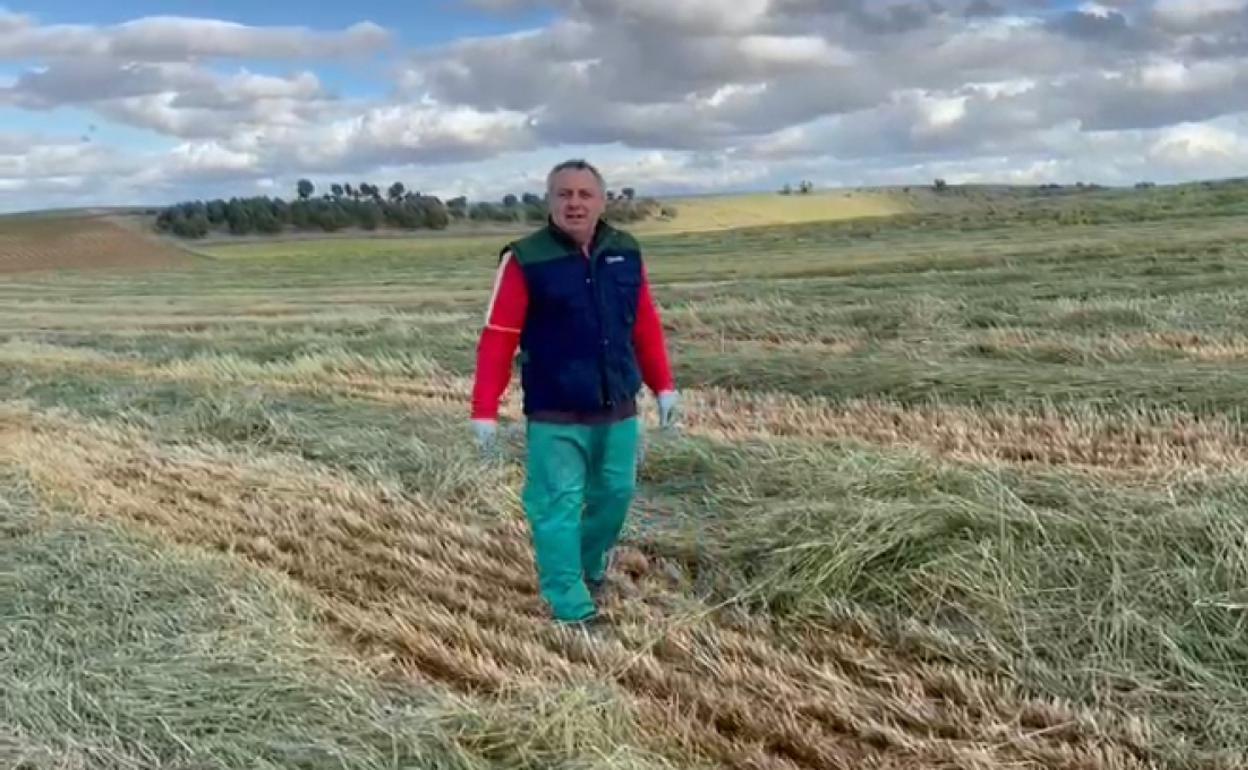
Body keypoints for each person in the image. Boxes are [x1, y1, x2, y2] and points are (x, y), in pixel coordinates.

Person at [469, 159, 679, 626]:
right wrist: (484, 408)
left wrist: (663, 384)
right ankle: (569, 602)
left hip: (618, 405)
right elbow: (499, 335)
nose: (575, 203)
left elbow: (642, 324)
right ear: (550, 201)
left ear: (603, 201)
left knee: (615, 495)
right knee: (557, 503)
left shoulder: (626, 250)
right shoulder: (526, 258)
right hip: (555, 410)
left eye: (585, 194)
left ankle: (584, 567)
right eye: (564, 194)